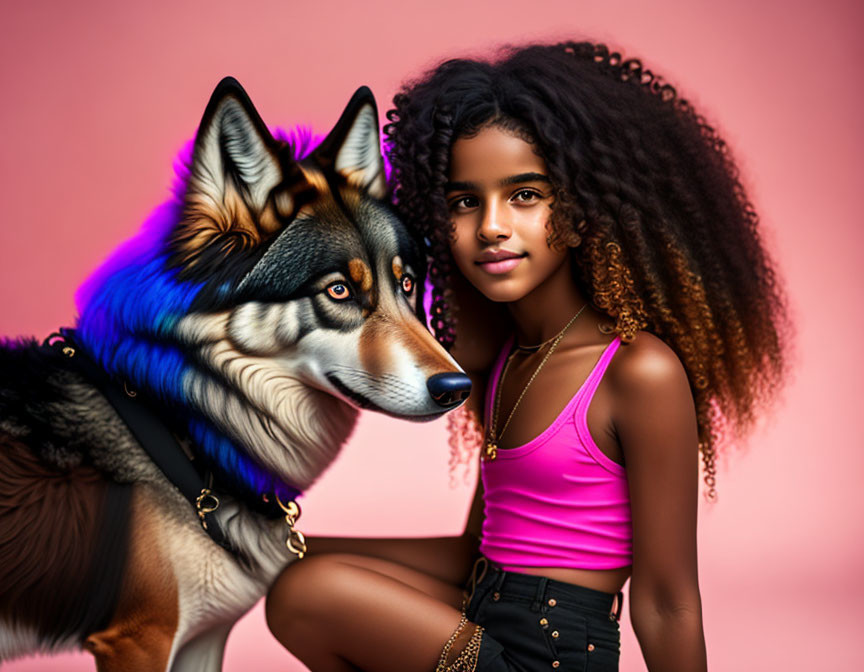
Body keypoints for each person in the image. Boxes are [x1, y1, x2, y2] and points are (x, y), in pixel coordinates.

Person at [264, 40, 790, 671]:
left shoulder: (636, 371)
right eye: (465, 202)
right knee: (293, 579)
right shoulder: (508, 362)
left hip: (555, 654)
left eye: (524, 195)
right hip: (487, 615)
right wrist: (281, 543)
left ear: (581, 208)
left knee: (307, 593)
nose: (490, 226)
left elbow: (667, 600)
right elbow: (472, 557)